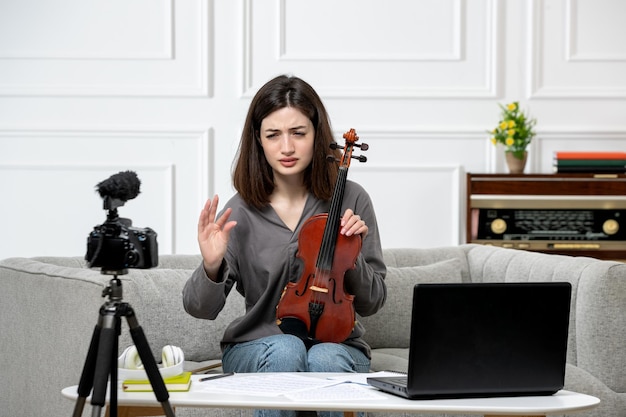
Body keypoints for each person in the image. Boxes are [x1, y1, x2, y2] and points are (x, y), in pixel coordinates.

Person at [182, 75, 387, 417]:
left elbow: (373, 301)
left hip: (339, 344)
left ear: (316, 136)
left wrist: (353, 256)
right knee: (286, 348)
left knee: (325, 355)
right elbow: (200, 308)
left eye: (299, 133)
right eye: (273, 135)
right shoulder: (241, 211)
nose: (287, 148)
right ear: (258, 141)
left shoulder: (351, 198)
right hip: (257, 346)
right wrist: (212, 264)